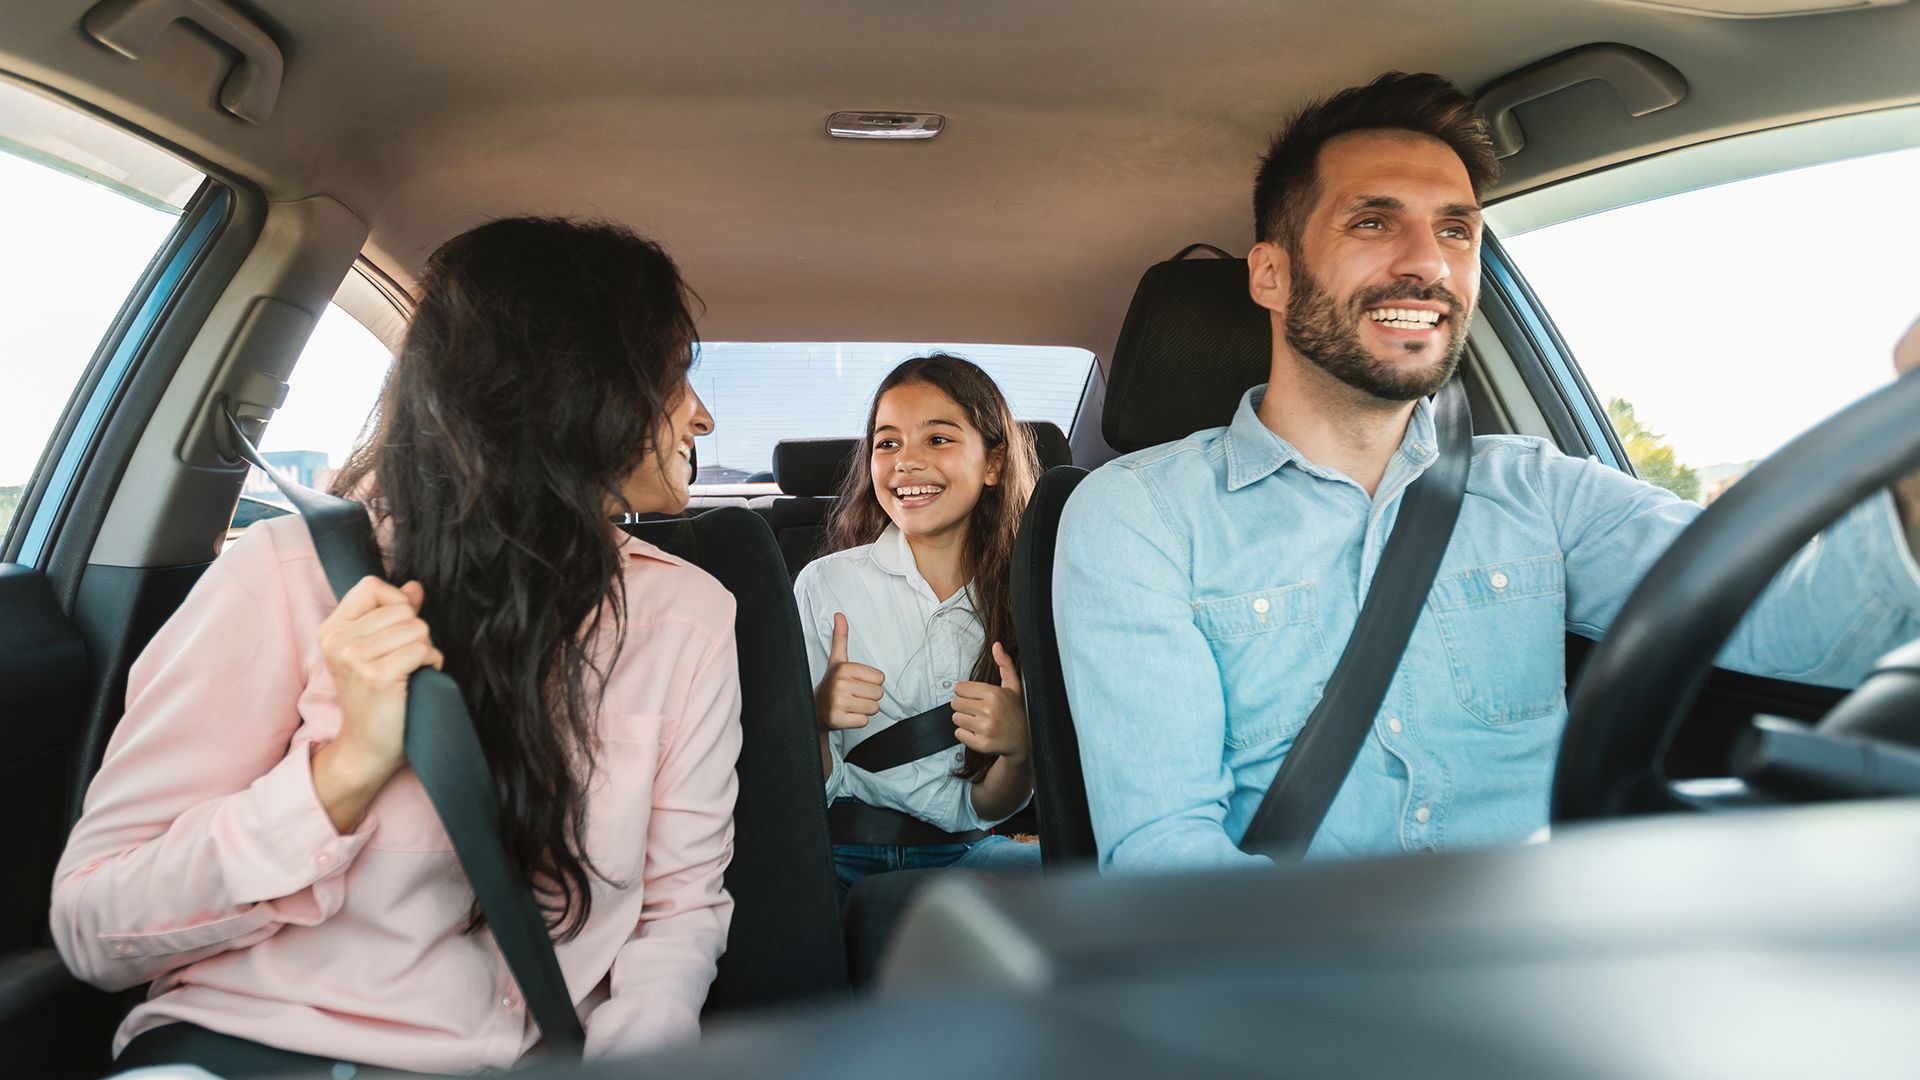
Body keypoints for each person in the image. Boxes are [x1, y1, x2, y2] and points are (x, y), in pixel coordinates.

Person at [1055, 72, 1920, 874]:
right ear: (1272, 274)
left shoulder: (1540, 489)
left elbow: (1802, 627)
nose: (1428, 263)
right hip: (1300, 994)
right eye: (1372, 221)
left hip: (1554, 958)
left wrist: (1909, 477)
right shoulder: (1138, 516)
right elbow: (1165, 856)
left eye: (1456, 230)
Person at [51, 217, 742, 1074]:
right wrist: (337, 778)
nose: (702, 417)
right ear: (576, 390)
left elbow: (677, 911)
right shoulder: (288, 576)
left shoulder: (692, 618)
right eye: (676, 380)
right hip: (256, 1052)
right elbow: (93, 928)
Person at [795, 354, 1044, 893]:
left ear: (993, 463)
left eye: (937, 439)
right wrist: (813, 717)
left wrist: (1019, 747)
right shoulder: (826, 585)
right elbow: (806, 785)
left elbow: (987, 805)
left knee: (1080, 886)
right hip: (840, 849)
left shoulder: (1028, 592)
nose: (906, 462)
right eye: (888, 444)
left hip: (966, 852)